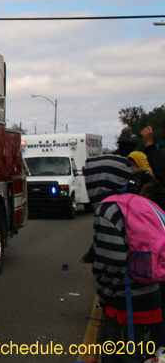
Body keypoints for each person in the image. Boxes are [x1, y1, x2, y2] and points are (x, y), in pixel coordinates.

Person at [86, 154, 165, 360]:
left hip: (125, 306)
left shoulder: (107, 209)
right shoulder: (140, 202)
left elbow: (111, 262)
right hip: (151, 297)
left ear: (102, 179)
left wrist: (103, 296)